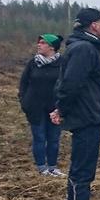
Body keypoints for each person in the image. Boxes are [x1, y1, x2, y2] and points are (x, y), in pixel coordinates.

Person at [50, 8, 100, 200]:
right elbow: (70, 84)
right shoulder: (84, 49)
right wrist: (61, 109)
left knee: (84, 168)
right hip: (86, 117)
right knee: (81, 170)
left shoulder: (84, 48)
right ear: (94, 26)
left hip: (89, 115)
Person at [18, 34, 65, 177]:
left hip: (55, 108)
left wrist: (62, 105)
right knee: (39, 137)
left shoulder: (63, 63)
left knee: (54, 138)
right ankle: (41, 167)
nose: (39, 45)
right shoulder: (33, 63)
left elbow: (66, 83)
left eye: (43, 43)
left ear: (52, 47)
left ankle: (52, 167)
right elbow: (23, 83)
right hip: (35, 107)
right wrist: (24, 101)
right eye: (39, 42)